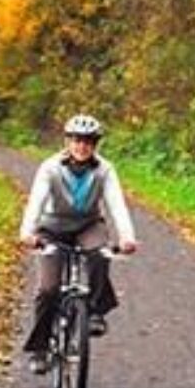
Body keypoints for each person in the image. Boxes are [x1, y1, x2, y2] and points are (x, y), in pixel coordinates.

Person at [18, 114, 139, 374]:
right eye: (76, 140)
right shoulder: (50, 168)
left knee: (99, 254)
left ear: (95, 144)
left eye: (88, 141)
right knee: (48, 289)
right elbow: (36, 201)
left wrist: (127, 237)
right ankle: (40, 349)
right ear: (67, 142)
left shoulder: (104, 169)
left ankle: (94, 311)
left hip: (88, 225)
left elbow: (116, 204)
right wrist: (28, 232)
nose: (82, 146)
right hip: (52, 228)